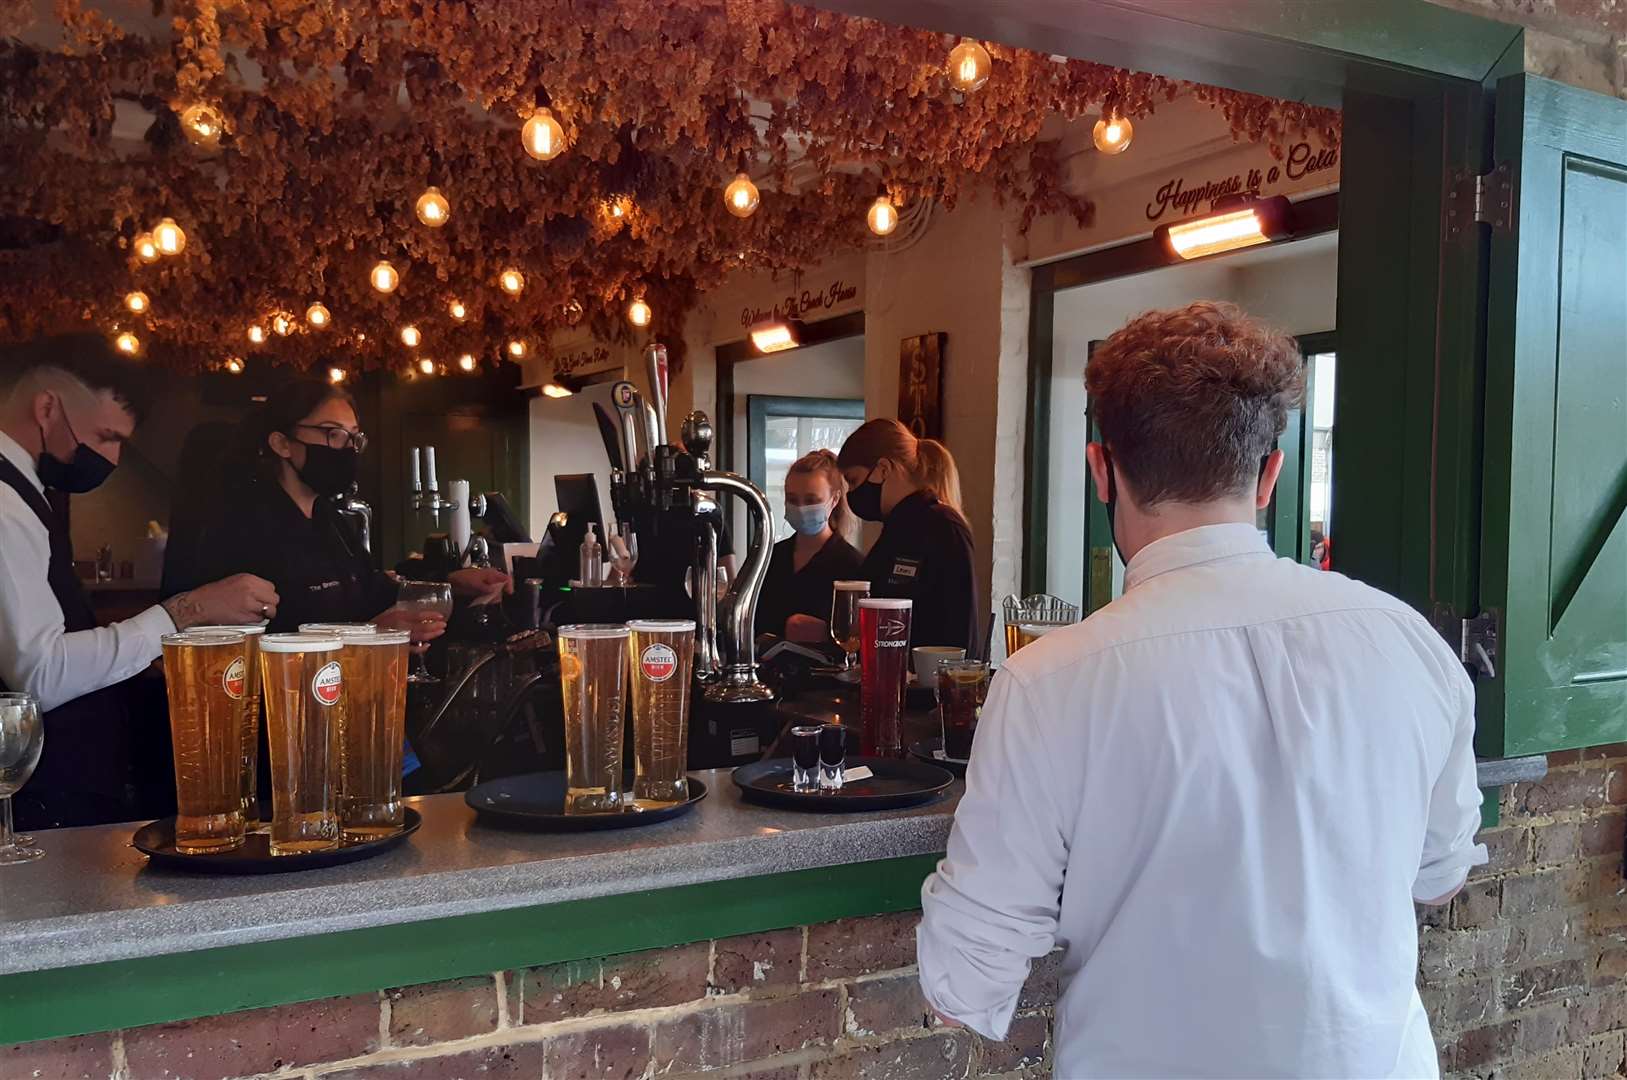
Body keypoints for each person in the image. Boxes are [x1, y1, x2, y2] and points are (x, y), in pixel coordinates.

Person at [916, 302, 1485, 1078]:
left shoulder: (1049, 683)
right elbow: (1438, 875)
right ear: (1268, 476)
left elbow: (962, 987)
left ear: (1100, 470)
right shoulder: (1408, 642)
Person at [0, 335, 279, 830]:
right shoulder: (4, 501)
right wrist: (186, 611)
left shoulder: (25, 491)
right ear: (47, 406)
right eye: (107, 437)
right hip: (37, 809)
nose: (110, 458)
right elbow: (39, 674)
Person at [165, 378, 510, 638]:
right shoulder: (239, 526)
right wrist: (369, 635)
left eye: (353, 437)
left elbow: (368, 590)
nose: (346, 448)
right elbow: (251, 644)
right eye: (332, 433)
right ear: (282, 443)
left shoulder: (329, 519)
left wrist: (449, 584)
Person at [833, 418, 977, 651]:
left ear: (882, 469)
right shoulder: (895, 530)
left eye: (853, 480)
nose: (852, 493)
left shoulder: (943, 527)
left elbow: (960, 634)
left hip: (924, 683)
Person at [754, 450, 862, 641]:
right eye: (793, 500)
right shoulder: (769, 557)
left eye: (812, 500)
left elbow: (860, 640)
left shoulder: (853, 565)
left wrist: (826, 634)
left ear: (834, 499)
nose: (801, 508)